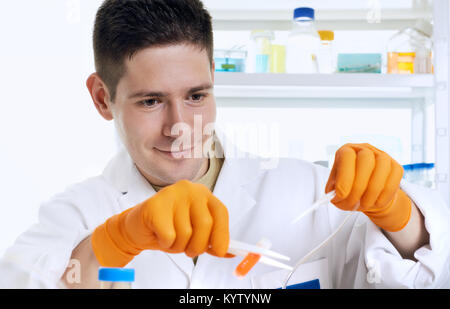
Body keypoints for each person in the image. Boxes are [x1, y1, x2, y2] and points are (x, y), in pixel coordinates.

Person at [0, 0, 449, 289]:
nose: (180, 127)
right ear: (103, 98)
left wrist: (398, 212)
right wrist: (116, 240)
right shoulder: (77, 214)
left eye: (196, 95)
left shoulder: (310, 190)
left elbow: (429, 274)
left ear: (214, 76)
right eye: (151, 101)